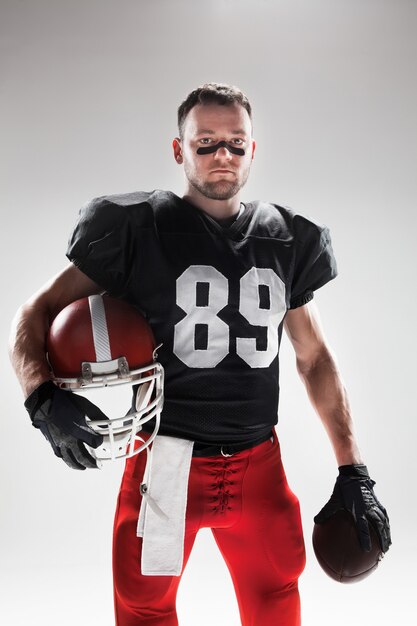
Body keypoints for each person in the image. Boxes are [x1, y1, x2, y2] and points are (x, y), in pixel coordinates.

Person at [9, 82, 391, 625]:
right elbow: (35, 311)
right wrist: (41, 398)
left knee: (276, 599)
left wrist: (354, 467)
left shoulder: (285, 238)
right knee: (144, 610)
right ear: (179, 149)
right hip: (166, 463)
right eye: (206, 141)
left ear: (253, 150)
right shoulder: (138, 229)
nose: (223, 155)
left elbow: (314, 358)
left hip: (259, 464)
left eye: (236, 143)